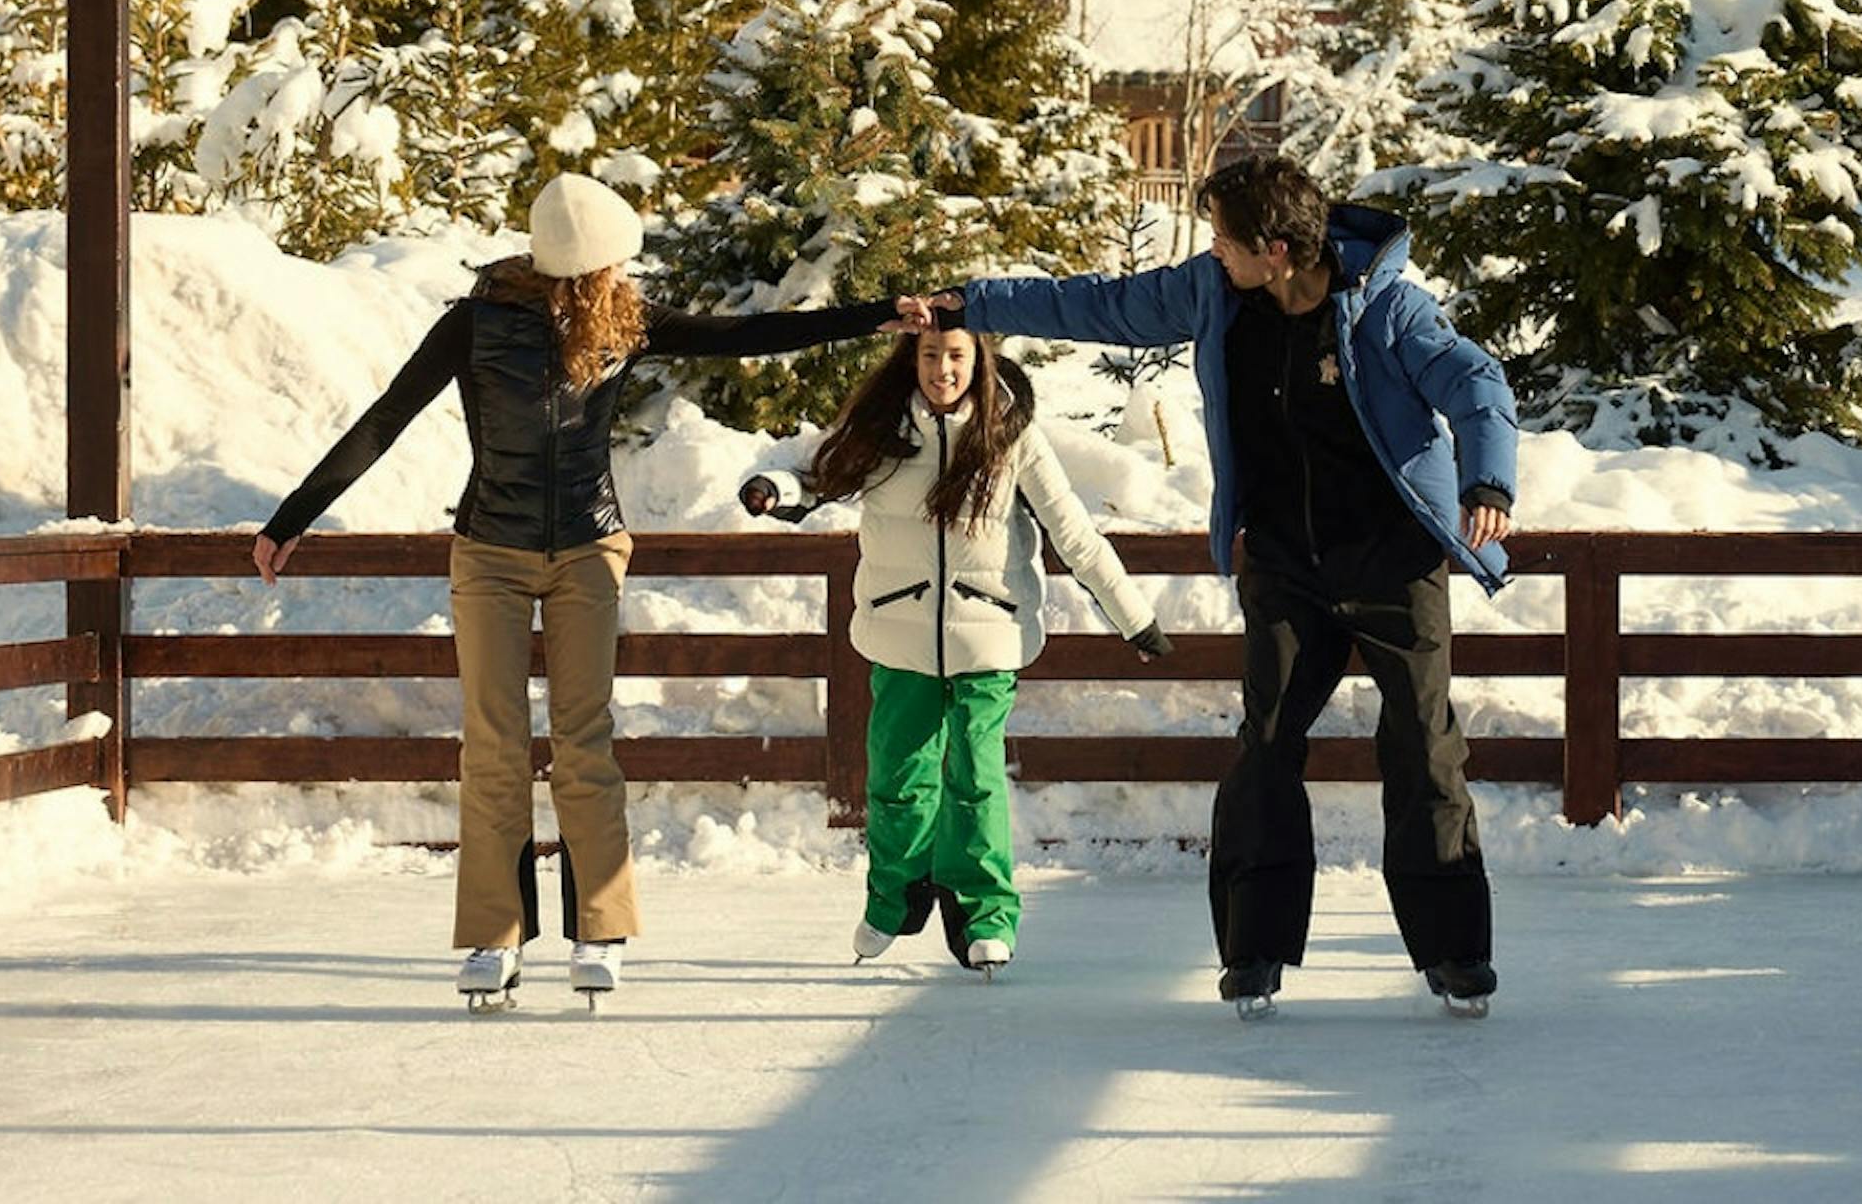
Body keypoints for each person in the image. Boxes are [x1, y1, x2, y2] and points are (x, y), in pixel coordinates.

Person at [254, 172, 894, 1011]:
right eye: (611, 264)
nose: (620, 277)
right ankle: (494, 937)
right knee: (492, 745)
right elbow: (385, 418)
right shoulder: (472, 325)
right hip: (490, 550)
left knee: (584, 740)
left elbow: (750, 332)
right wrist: (293, 516)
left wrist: (876, 314)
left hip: (590, 547)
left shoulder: (626, 323)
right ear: (587, 264)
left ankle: (600, 928)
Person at [910, 150, 1520, 1020]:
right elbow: (1103, 304)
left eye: (1225, 240)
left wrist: (1486, 484)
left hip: (1390, 557)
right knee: (1266, 742)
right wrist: (973, 304)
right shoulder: (1214, 292)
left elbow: (1476, 383)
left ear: (1276, 248)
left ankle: (1456, 954)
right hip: (1282, 560)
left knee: (1421, 745)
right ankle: (1256, 951)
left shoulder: (1386, 307)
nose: (1214, 252)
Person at [739, 321, 1173, 975]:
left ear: (981, 361)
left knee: (975, 775)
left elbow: (1073, 530)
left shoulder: (1010, 435)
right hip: (900, 629)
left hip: (988, 632)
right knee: (896, 778)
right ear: (912, 360)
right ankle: (893, 900)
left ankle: (985, 913)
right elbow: (818, 475)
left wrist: (1134, 617)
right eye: (932, 356)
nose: (943, 369)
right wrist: (775, 490)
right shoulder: (886, 431)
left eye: (957, 357)